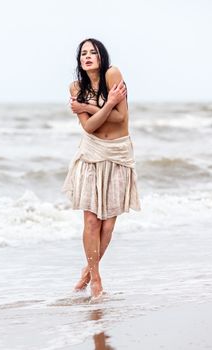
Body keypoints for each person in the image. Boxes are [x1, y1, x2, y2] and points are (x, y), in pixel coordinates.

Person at [62, 38, 141, 299]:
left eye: (92, 52)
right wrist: (106, 105)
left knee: (108, 224)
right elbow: (89, 127)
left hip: (118, 153)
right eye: (83, 53)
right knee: (91, 220)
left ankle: (86, 272)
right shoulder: (75, 87)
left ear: (101, 56)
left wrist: (86, 107)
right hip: (91, 152)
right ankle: (95, 278)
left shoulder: (112, 74)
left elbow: (120, 117)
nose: (87, 57)